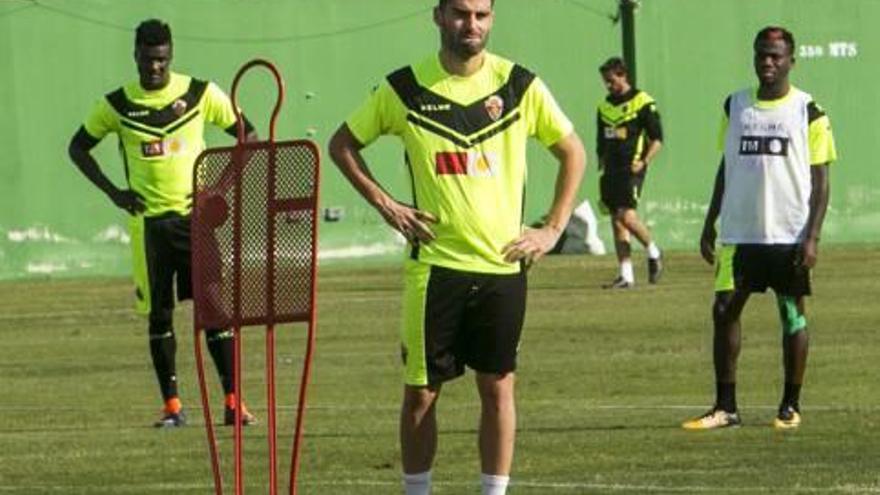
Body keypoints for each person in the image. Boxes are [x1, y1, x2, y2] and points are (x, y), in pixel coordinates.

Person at [327, 1, 585, 493]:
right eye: (461, 13)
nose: (472, 24)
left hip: (502, 266)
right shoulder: (404, 87)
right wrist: (388, 205)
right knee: (421, 395)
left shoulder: (519, 85)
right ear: (439, 16)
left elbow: (572, 150)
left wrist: (552, 227)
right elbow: (342, 144)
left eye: (482, 14)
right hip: (434, 269)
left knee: (498, 387)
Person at [68, 19, 259, 428]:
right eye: (149, 59)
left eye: (162, 60)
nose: (155, 67)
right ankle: (173, 407)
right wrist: (113, 192)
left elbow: (250, 136)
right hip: (148, 228)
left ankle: (232, 402)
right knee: (159, 316)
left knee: (215, 311)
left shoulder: (199, 93)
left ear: (170, 56)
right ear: (135, 54)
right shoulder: (117, 104)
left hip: (197, 224)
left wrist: (218, 190)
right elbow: (78, 147)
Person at [682, 26, 836, 430]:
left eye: (776, 56)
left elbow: (821, 181)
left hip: (787, 234)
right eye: (762, 55)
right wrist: (709, 220)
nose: (768, 62)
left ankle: (790, 404)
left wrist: (812, 236)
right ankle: (725, 407)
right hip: (739, 233)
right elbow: (726, 166)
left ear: (791, 60)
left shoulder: (809, 111)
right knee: (723, 310)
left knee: (791, 315)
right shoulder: (735, 106)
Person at [595, 57, 664, 289]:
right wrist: (601, 162)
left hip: (632, 167)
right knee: (617, 221)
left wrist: (644, 161)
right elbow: (601, 140)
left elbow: (657, 139)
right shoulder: (604, 106)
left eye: (611, 80)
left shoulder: (643, 102)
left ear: (623, 75)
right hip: (611, 171)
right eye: (605, 81)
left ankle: (654, 252)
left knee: (627, 216)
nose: (608, 85)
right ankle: (626, 275)